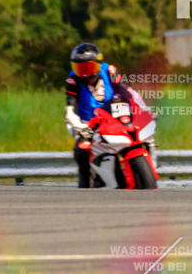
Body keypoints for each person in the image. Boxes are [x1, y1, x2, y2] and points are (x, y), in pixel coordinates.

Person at [63, 43, 147, 187]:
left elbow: (128, 92)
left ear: (97, 64)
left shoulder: (109, 71)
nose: (84, 73)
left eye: (88, 67)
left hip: (115, 117)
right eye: (79, 68)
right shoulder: (73, 80)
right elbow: (71, 107)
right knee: (83, 147)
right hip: (87, 122)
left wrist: (142, 109)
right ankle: (85, 178)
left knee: (138, 134)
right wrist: (78, 125)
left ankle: (145, 164)